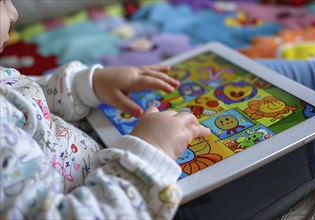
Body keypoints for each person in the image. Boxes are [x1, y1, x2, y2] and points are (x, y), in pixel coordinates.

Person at [0, 0, 210, 219]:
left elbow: (24, 96)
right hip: (135, 199)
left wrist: (89, 85)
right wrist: (152, 152)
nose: (14, 13)